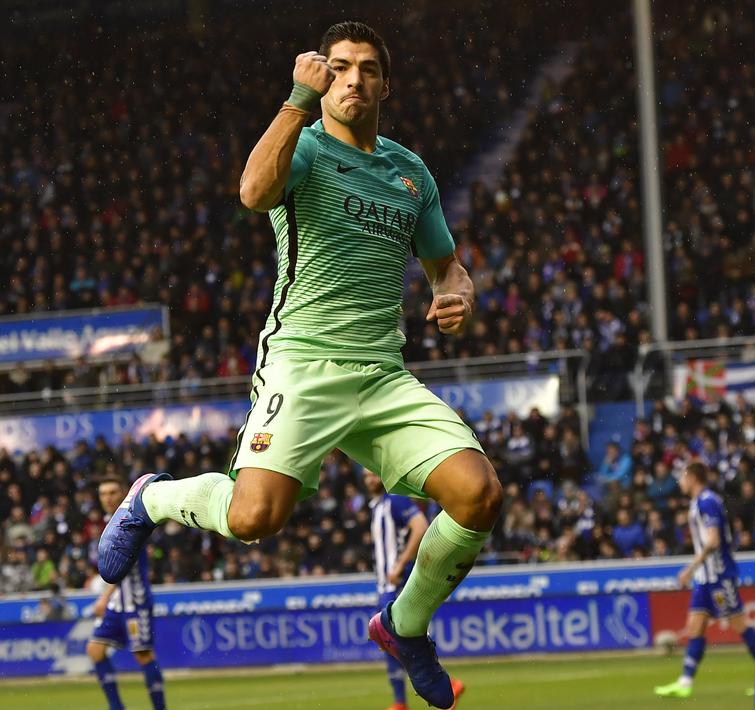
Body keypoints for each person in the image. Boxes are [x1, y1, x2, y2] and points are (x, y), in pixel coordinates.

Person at [97, 21, 502, 709]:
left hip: (380, 375)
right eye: (339, 67)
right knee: (255, 517)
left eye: (367, 69)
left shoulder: (411, 173)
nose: (353, 79)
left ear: (384, 83)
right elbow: (253, 193)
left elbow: (447, 268)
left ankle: (404, 627)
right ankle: (151, 497)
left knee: (478, 494)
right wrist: (293, 100)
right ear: (322, 77)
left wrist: (455, 292)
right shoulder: (305, 148)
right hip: (302, 364)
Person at [655, 463, 755, 699]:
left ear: (693, 478)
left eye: (683, 477)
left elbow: (714, 540)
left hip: (719, 575)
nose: (680, 482)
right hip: (705, 578)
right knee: (695, 626)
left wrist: (690, 568)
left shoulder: (707, 502)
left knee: (740, 625)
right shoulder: (698, 503)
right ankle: (685, 683)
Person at [364, 469, 465, 710]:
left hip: (396, 582)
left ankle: (414, 697)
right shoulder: (377, 506)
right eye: (366, 476)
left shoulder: (395, 501)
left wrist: (400, 564)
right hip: (384, 582)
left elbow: (420, 526)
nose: (370, 480)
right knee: (393, 643)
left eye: (374, 474)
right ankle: (405, 700)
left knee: (400, 639)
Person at [89, 477, 167, 710]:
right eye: (103, 493)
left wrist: (103, 596)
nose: (108, 498)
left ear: (122, 493)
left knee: (143, 655)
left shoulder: (133, 518)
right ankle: (116, 707)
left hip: (135, 599)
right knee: (95, 650)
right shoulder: (107, 521)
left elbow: (124, 563)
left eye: (112, 492)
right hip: (117, 601)